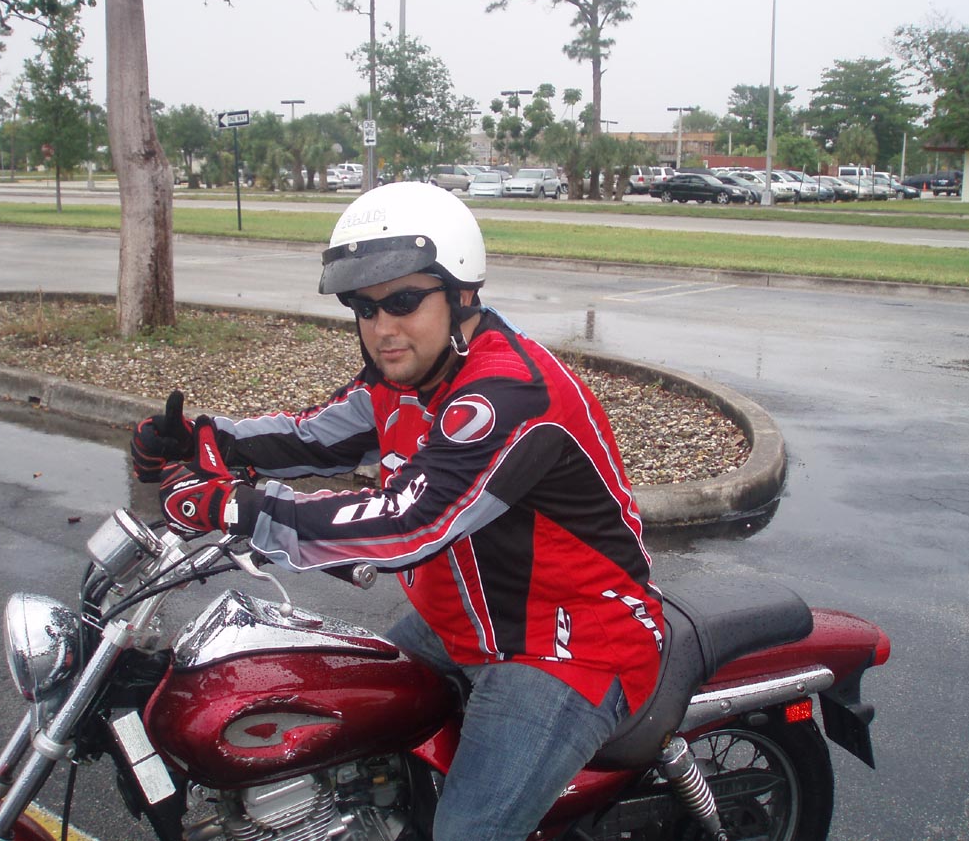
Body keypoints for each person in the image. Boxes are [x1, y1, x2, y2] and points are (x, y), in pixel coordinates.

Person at [131, 181, 664, 841]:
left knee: (463, 835)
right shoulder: (403, 377)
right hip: (457, 624)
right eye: (364, 307)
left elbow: (407, 522)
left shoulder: (510, 394)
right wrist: (200, 442)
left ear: (462, 293)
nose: (383, 327)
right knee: (340, 728)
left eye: (404, 301)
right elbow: (311, 437)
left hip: (566, 645)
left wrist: (234, 509)